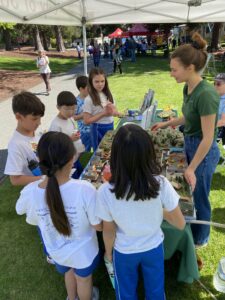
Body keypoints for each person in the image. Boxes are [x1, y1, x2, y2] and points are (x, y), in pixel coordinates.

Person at [96, 124, 185, 300]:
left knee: (126, 292)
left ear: (116, 156)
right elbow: (180, 224)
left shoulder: (105, 191)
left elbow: (109, 229)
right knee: (155, 291)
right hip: (153, 247)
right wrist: (159, 211)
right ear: (149, 153)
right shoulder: (161, 183)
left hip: (124, 251)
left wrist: (108, 253)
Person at [152, 32, 220, 247]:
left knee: (200, 196)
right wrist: (167, 123)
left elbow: (208, 138)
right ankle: (190, 229)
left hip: (204, 151)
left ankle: (201, 239)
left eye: (174, 69)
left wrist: (192, 168)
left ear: (190, 67)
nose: (171, 74)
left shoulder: (207, 94)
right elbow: (190, 116)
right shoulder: (187, 87)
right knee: (190, 194)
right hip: (191, 143)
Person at [16, 131, 101, 300]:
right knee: (83, 280)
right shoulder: (85, 189)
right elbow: (97, 225)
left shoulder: (30, 192)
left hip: (57, 252)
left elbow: (24, 212)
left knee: (68, 273)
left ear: (40, 159)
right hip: (84, 253)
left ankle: (71, 297)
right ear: (72, 159)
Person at [4, 91, 45, 186]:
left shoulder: (37, 132)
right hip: (38, 190)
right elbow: (15, 180)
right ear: (18, 117)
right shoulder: (16, 144)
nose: (39, 123)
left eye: (40, 118)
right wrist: (43, 179)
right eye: (34, 119)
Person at [49, 91, 85, 179]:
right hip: (66, 163)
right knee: (75, 182)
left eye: (74, 109)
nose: (71, 112)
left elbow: (72, 131)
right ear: (58, 107)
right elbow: (54, 146)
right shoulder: (56, 125)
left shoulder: (70, 119)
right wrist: (70, 139)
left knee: (83, 177)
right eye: (67, 109)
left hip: (75, 158)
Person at [83, 68, 120, 151]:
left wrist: (117, 113)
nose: (100, 84)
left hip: (110, 125)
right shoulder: (89, 99)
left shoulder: (108, 94)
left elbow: (113, 112)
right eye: (97, 81)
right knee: (100, 153)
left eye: (102, 81)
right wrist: (103, 113)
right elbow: (86, 121)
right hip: (97, 129)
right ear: (91, 82)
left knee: (110, 150)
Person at [74, 76, 92, 151]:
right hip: (84, 132)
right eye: (88, 88)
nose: (90, 90)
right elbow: (73, 118)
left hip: (94, 128)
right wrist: (83, 115)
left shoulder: (91, 98)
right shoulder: (76, 102)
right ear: (81, 89)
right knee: (85, 151)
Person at [214, 73, 225, 145]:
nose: (215, 86)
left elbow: (223, 121)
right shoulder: (215, 97)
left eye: (218, 84)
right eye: (214, 84)